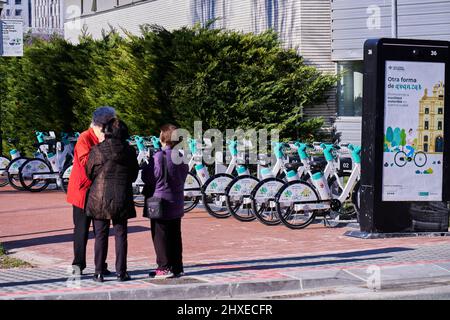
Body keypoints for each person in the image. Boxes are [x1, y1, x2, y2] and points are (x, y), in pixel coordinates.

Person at [85, 118, 139, 282]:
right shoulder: (129, 151)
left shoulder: (97, 150)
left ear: (106, 132)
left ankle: (99, 272)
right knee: (121, 235)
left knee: (100, 235)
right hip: (121, 197)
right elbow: (134, 175)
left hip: (99, 198)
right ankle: (121, 272)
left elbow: (89, 173)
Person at [67, 106, 116, 275]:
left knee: (101, 231)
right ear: (99, 125)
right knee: (81, 229)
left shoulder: (105, 138)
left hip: (100, 191)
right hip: (83, 191)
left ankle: (100, 265)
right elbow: (87, 162)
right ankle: (78, 264)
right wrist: (103, 146)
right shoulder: (84, 138)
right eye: (108, 124)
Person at [142, 124, 189, 279]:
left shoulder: (159, 156)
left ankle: (163, 267)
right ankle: (177, 267)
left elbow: (149, 177)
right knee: (176, 234)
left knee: (160, 235)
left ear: (163, 137)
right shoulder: (181, 157)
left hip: (160, 201)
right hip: (177, 201)